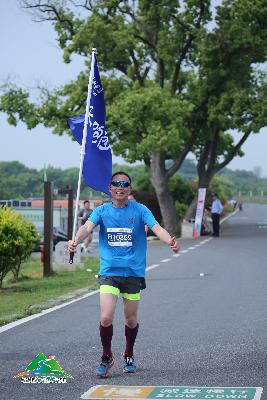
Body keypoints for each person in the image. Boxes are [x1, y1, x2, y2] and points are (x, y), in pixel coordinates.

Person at [68, 171, 180, 378]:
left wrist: (170, 241)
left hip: (133, 273)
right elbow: (87, 227)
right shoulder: (101, 211)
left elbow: (156, 227)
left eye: (124, 184)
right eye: (116, 183)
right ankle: (106, 356)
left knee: (130, 320)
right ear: (110, 187)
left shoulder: (140, 210)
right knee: (105, 316)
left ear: (129, 189)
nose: (120, 187)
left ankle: (128, 352)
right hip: (109, 272)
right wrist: (75, 239)